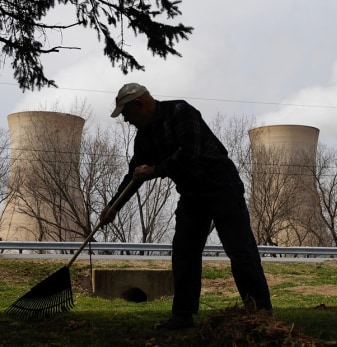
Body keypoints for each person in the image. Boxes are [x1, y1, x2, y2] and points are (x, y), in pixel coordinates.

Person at [100, 83, 272, 330]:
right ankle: (183, 316)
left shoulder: (180, 112)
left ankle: (261, 312)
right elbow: (134, 176)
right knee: (184, 252)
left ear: (139, 105)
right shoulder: (145, 137)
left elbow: (190, 153)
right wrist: (113, 207)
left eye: (127, 114)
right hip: (192, 195)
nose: (127, 121)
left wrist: (157, 170)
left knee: (240, 250)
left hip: (221, 186)